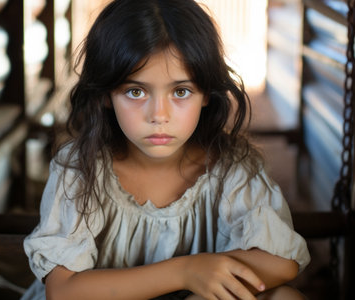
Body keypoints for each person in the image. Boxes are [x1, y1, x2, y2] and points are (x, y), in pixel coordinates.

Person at [22, 0, 310, 299]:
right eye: (136, 91)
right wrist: (186, 272)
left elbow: (280, 263)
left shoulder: (231, 168)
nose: (159, 115)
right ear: (107, 95)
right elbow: (63, 291)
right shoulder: (81, 169)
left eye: (181, 91)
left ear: (206, 95)